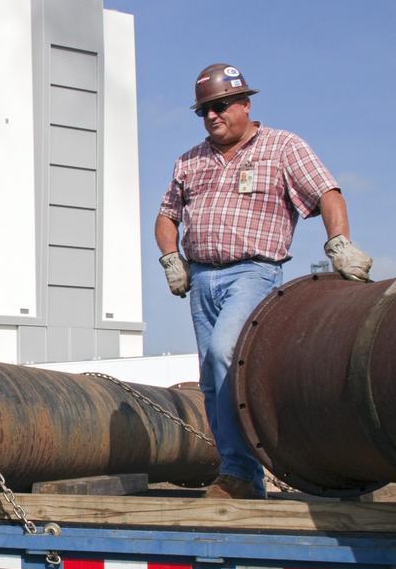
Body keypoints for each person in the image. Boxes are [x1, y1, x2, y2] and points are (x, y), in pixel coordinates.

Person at [155, 63, 372, 500]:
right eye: (204, 111)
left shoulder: (282, 147)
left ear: (245, 104)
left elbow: (327, 192)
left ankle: (241, 471)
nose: (212, 116)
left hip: (253, 272)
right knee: (213, 381)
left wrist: (340, 244)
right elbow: (167, 216)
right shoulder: (189, 160)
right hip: (201, 281)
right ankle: (241, 476)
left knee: (225, 355)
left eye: (220, 106)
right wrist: (170, 259)